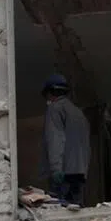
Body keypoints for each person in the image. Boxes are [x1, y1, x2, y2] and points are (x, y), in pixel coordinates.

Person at [42, 74, 91, 208]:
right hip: (80, 173)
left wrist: (55, 169)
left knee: (61, 211)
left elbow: (55, 140)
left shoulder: (55, 109)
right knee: (76, 211)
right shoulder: (79, 113)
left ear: (50, 93)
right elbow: (85, 145)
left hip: (63, 173)